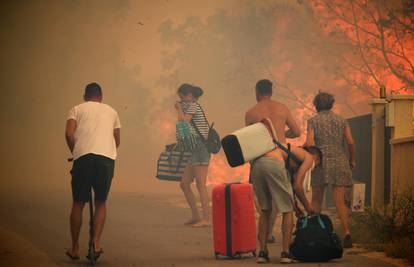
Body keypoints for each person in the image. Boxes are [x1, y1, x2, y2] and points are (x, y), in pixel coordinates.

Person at [245, 79, 301, 264]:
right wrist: (283, 137)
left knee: (265, 209)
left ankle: (263, 252)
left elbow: (249, 140)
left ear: (257, 92)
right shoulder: (282, 108)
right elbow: (297, 131)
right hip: (276, 160)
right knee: (287, 208)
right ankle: (285, 253)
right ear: (271, 91)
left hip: (259, 163)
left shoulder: (251, 112)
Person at [65, 82, 121, 260]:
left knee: (78, 203)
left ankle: (74, 248)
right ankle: (96, 243)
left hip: (83, 158)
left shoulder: (76, 109)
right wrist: (106, 149)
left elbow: (69, 133)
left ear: (84, 96)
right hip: (105, 159)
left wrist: (75, 151)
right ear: (101, 96)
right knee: (101, 201)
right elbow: (117, 140)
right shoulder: (112, 111)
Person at [305, 91, 356, 248]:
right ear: (331, 104)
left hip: (321, 162)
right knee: (339, 200)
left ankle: (314, 232)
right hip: (340, 161)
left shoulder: (313, 121)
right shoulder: (341, 120)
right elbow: (350, 142)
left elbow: (309, 143)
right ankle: (347, 232)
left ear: (316, 105)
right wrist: (352, 160)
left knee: (316, 199)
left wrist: (311, 159)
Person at [175, 84, 211, 228]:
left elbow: (183, 123)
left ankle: (206, 219)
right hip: (195, 148)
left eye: (182, 98)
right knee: (184, 183)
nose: (181, 101)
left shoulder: (194, 106)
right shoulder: (190, 106)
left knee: (201, 184)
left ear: (189, 95)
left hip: (201, 148)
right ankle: (196, 216)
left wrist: (178, 109)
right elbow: (183, 130)